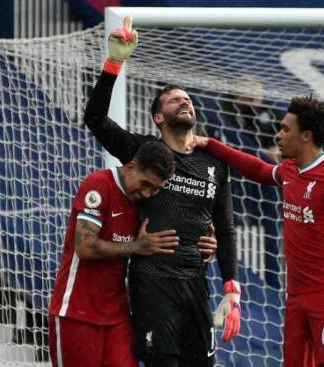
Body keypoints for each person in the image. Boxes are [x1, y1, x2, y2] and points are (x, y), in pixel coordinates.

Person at [83, 17, 241, 367]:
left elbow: (225, 227)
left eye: (187, 98)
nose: (183, 102)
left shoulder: (214, 164)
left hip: (196, 283)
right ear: (158, 117)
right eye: (173, 100)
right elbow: (95, 119)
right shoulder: (145, 153)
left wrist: (231, 285)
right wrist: (114, 63)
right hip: (153, 282)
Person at [192, 96, 324, 367]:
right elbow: (259, 169)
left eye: (285, 129)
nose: (279, 135)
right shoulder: (290, 170)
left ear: (306, 136)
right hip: (296, 295)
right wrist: (211, 145)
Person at [48, 141, 181, 367]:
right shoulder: (98, 185)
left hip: (117, 316)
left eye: (157, 188)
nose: (149, 193)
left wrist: (208, 236)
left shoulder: (143, 200)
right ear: (130, 167)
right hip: (76, 313)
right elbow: (85, 246)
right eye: (146, 184)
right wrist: (137, 246)